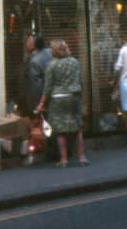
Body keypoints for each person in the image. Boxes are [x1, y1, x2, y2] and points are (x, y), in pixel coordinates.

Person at [36, 39, 89, 167]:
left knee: (60, 131)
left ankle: (64, 159)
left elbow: (47, 87)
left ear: (53, 51)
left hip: (58, 98)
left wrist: (41, 104)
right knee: (77, 128)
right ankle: (82, 157)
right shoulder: (74, 62)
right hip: (74, 96)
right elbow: (79, 81)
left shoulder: (51, 65)